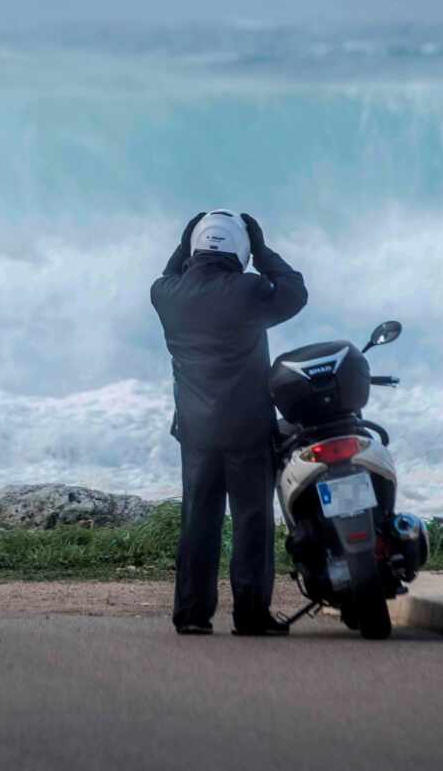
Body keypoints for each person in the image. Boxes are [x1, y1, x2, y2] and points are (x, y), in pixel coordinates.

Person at [151, 209, 308, 636]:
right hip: (246, 428)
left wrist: (183, 246)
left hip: (196, 432)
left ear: (194, 247)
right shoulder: (249, 290)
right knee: (251, 520)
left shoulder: (167, 294)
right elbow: (294, 292)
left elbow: (170, 271)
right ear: (239, 250)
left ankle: (191, 615)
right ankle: (251, 614)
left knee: (198, 521)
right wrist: (262, 249)